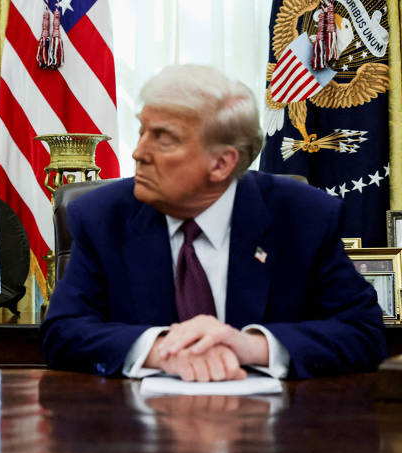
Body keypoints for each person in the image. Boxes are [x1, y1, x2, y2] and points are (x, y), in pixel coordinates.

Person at [40, 64, 386, 381]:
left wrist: (250, 346)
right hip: (138, 432)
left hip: (275, 433)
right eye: (143, 131)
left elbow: (363, 332)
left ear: (221, 164)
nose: (138, 152)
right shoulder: (102, 216)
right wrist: (159, 350)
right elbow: (62, 332)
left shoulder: (302, 216)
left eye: (163, 138)